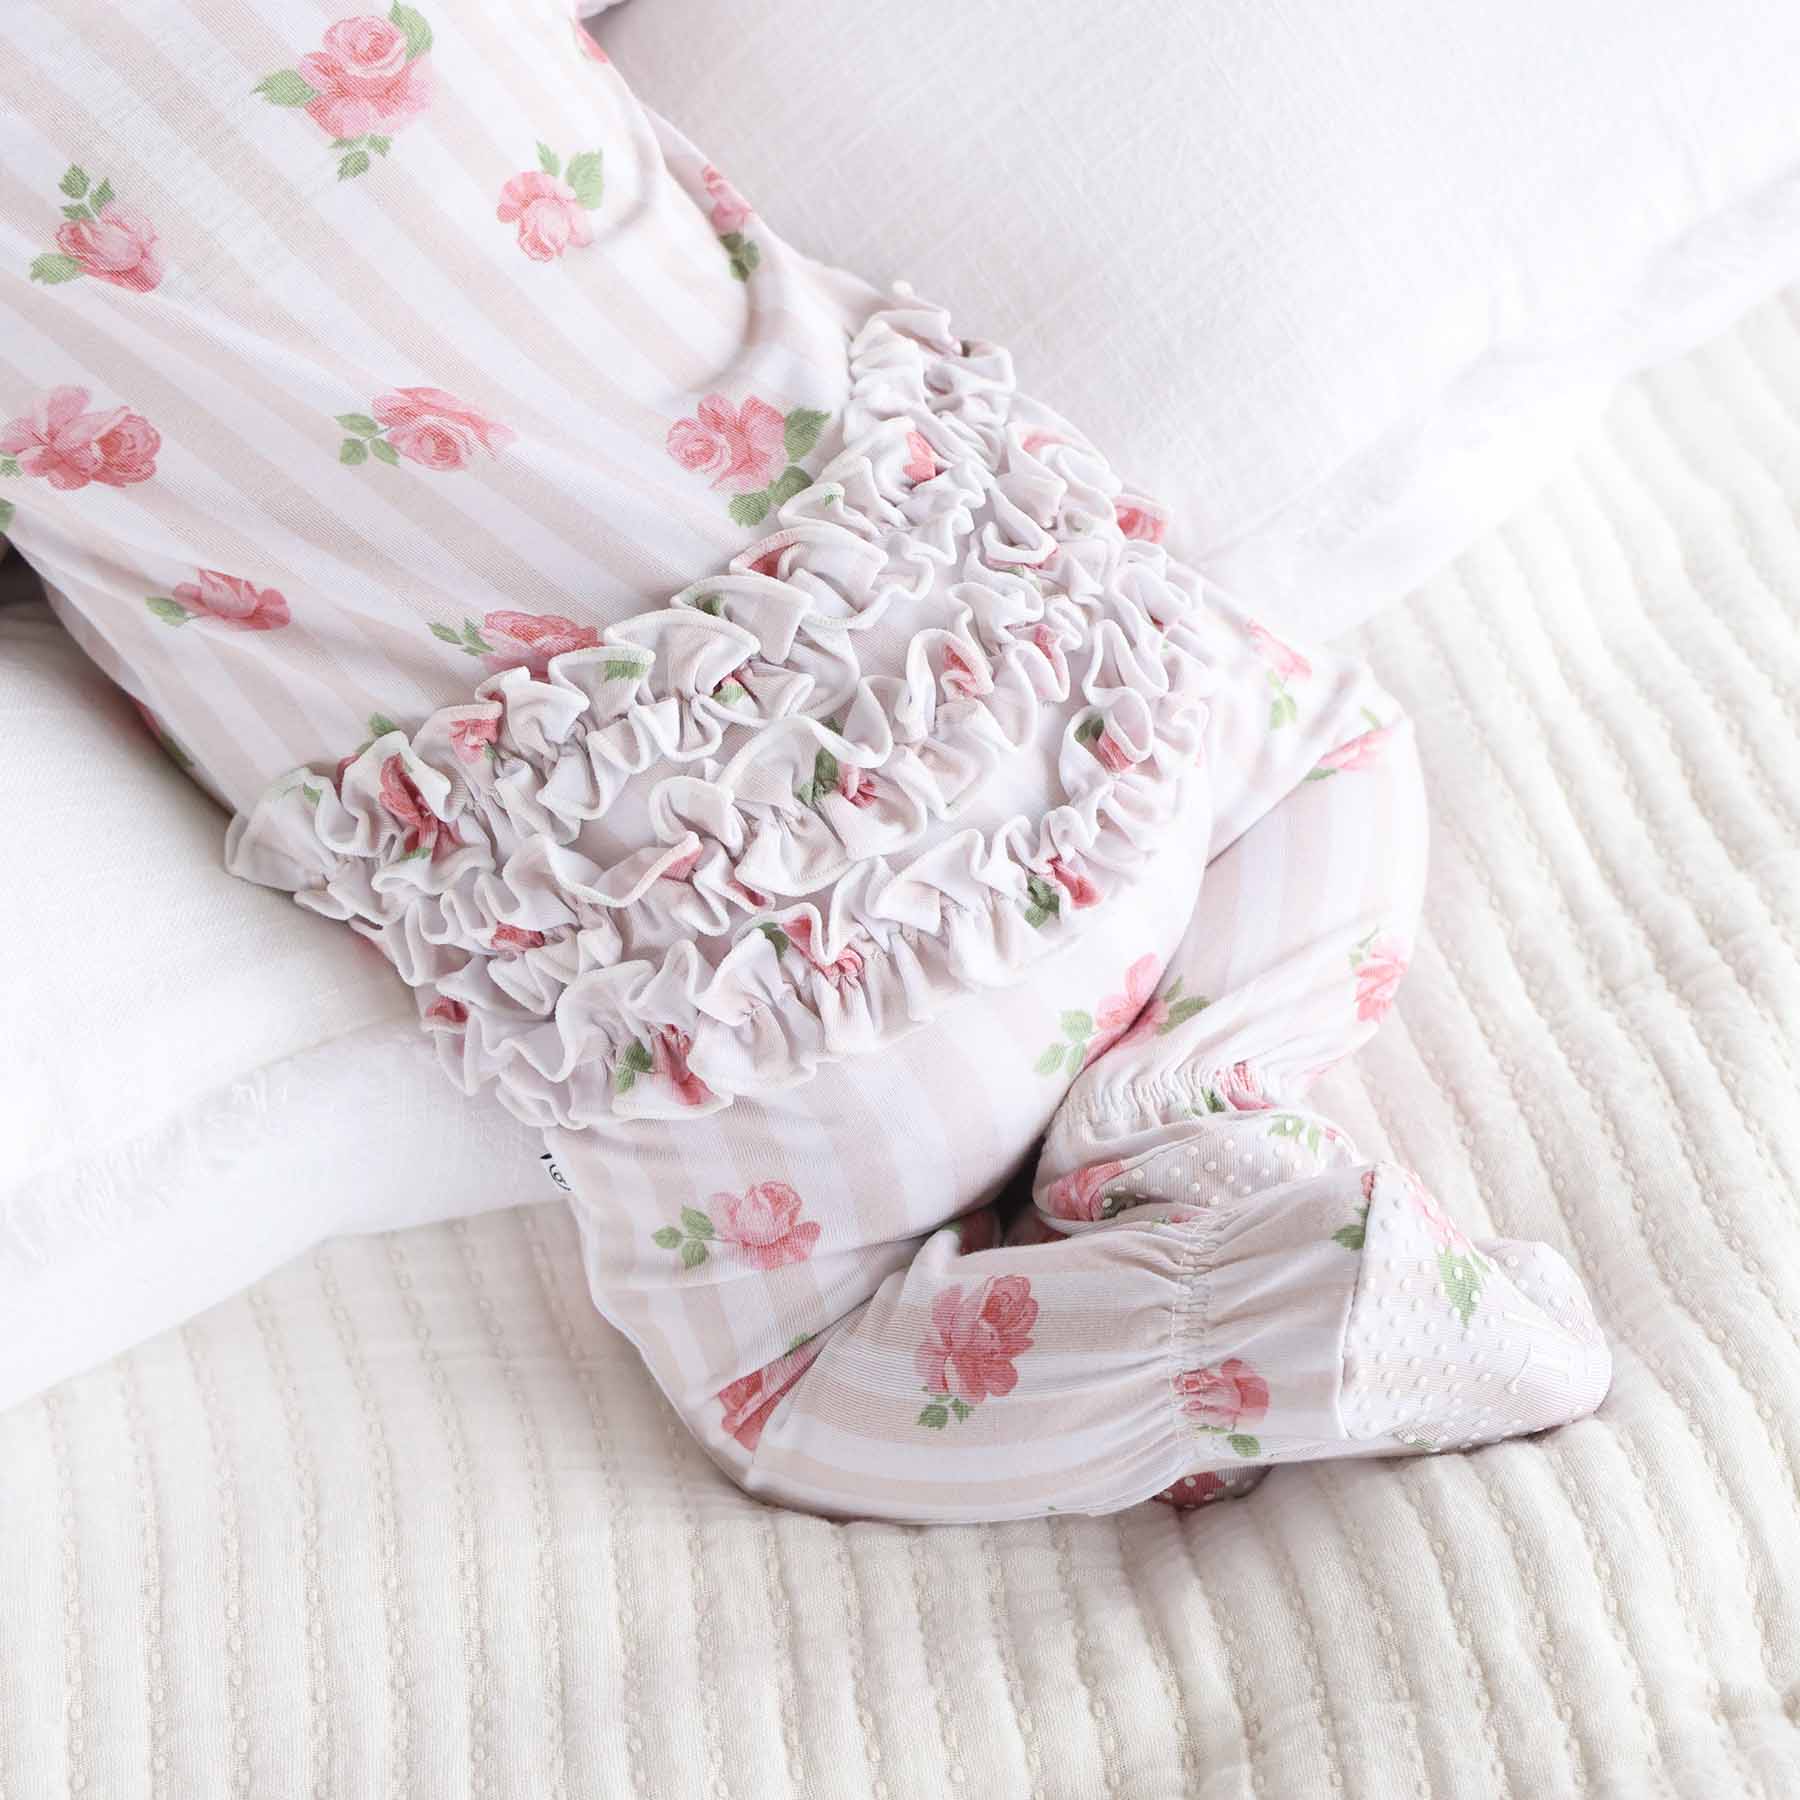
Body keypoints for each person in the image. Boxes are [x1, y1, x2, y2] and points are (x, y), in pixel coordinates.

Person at [0, 0, 1607, 1521]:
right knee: (1339, 747)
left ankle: (1266, 1323)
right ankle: (1189, 1097)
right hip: (1066, 671)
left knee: (793, 1391)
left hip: (744, 967)